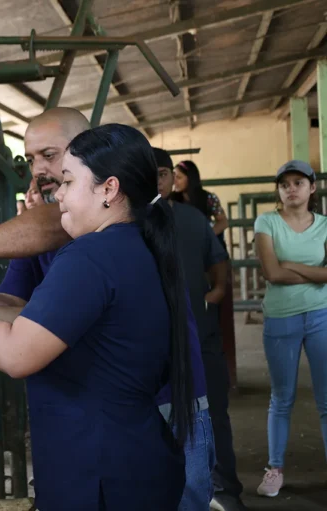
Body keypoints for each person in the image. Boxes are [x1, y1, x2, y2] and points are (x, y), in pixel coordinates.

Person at [0, 123, 193, 510]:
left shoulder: (89, 256)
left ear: (109, 189)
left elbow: (17, 354)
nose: (59, 195)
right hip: (131, 458)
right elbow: (33, 319)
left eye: (68, 181)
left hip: (97, 472)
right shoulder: (138, 245)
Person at [155, 149, 247, 511]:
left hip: (201, 335)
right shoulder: (129, 222)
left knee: (212, 414)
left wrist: (220, 288)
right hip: (156, 342)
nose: (159, 182)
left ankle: (227, 490)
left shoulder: (193, 217)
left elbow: (218, 257)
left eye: (164, 174)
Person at [253, 160, 327, 498]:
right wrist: (313, 271)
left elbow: (285, 269)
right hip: (281, 317)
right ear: (279, 191)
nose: (292, 189)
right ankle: (275, 469)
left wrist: (291, 265)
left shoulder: (325, 225)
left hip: (322, 316)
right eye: (285, 184)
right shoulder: (267, 222)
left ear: (312, 188)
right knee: (282, 398)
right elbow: (272, 273)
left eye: (299, 182)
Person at [171, 160, 229, 250]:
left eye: (178, 177)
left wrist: (205, 237)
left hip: (204, 246)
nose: (174, 181)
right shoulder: (171, 200)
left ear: (190, 178)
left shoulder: (208, 198)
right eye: (173, 177)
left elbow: (223, 222)